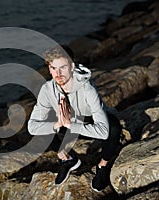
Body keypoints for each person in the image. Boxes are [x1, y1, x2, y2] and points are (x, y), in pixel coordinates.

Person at [28, 45, 121, 192]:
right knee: (45, 126)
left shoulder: (87, 88)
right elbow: (32, 127)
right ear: (49, 69)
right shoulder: (47, 89)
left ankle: (102, 166)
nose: (58, 74)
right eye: (53, 68)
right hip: (66, 123)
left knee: (114, 128)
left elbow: (103, 131)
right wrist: (58, 123)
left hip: (88, 120)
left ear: (72, 66)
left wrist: (69, 123)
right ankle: (67, 159)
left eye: (63, 68)